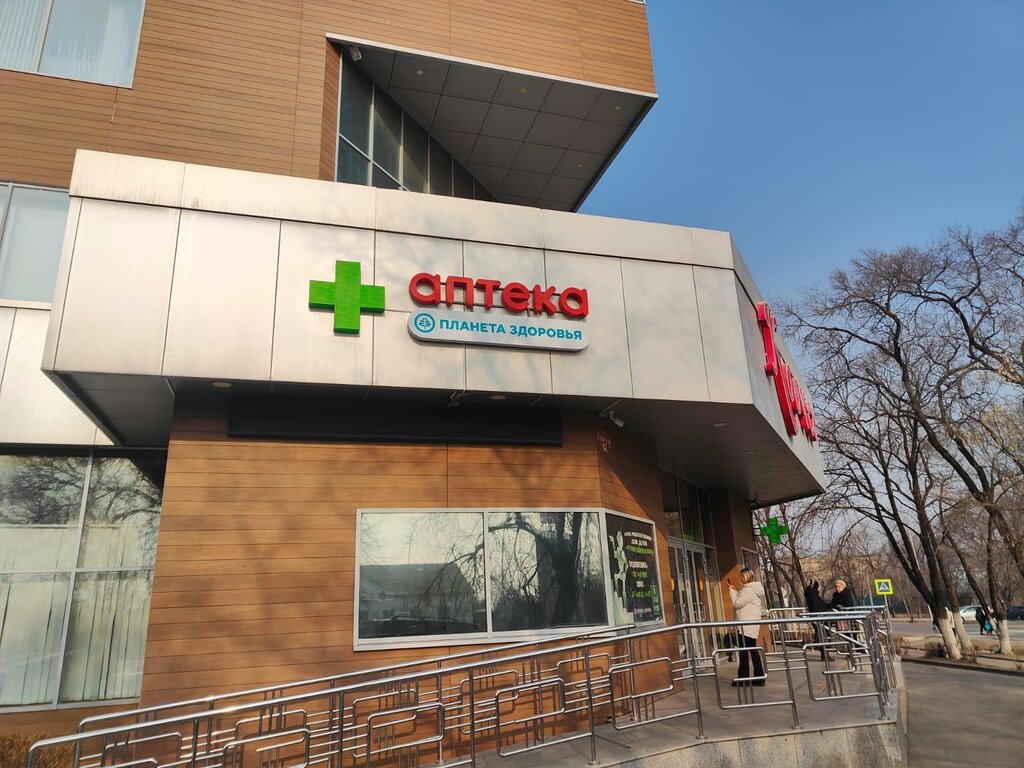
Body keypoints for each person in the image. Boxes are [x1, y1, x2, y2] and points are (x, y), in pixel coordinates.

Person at [728, 568, 766, 686]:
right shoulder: (753, 589)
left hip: (745, 626)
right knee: (752, 650)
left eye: (742, 576)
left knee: (744, 652)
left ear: (748, 576)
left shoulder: (748, 590)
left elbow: (737, 603)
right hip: (750, 625)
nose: (741, 578)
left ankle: (743, 678)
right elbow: (741, 602)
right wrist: (736, 592)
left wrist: (731, 591)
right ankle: (759, 677)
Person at [804, 579, 831, 660]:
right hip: (819, 617)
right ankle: (825, 654)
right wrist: (824, 609)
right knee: (823, 635)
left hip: (817, 617)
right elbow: (817, 606)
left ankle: (824, 654)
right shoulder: (813, 594)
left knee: (821, 635)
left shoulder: (810, 594)